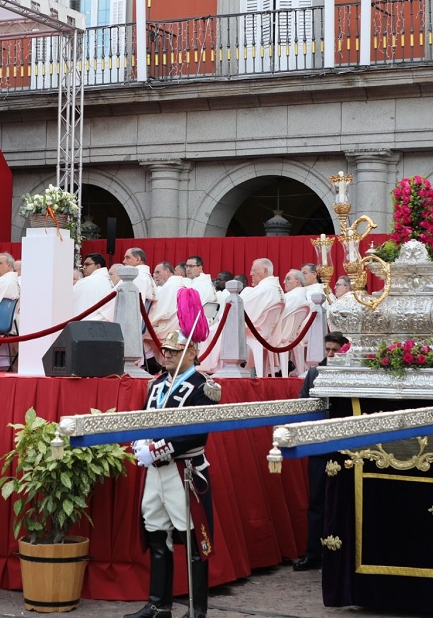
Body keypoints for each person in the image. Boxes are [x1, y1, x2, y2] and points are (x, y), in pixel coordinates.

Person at [124, 330, 220, 618]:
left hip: (185, 471)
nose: (166, 354)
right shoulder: (156, 386)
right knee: (156, 534)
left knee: (193, 540)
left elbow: (197, 434)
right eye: (165, 350)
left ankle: (196, 610)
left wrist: (157, 450)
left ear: (192, 352)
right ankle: (158, 604)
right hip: (155, 473)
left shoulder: (204, 386)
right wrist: (140, 442)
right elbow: (143, 418)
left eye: (174, 351)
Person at [293, 332, 348, 572]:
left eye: (335, 350)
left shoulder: (352, 375)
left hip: (345, 446)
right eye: (328, 349)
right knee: (316, 501)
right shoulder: (315, 373)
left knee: (345, 500)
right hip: (319, 446)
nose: (330, 354)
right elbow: (303, 405)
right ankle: (313, 553)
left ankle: (344, 553)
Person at [240, 258, 283, 376]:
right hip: (266, 333)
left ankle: (215, 369)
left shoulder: (264, 289)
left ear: (265, 271)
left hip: (256, 333)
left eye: (254, 270)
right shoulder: (277, 289)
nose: (250, 274)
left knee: (215, 329)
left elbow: (242, 311)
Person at [73, 253, 116, 322]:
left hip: (84, 324)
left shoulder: (86, 281)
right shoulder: (110, 281)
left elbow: (69, 300)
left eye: (87, 264)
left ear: (98, 266)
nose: (84, 267)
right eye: (83, 265)